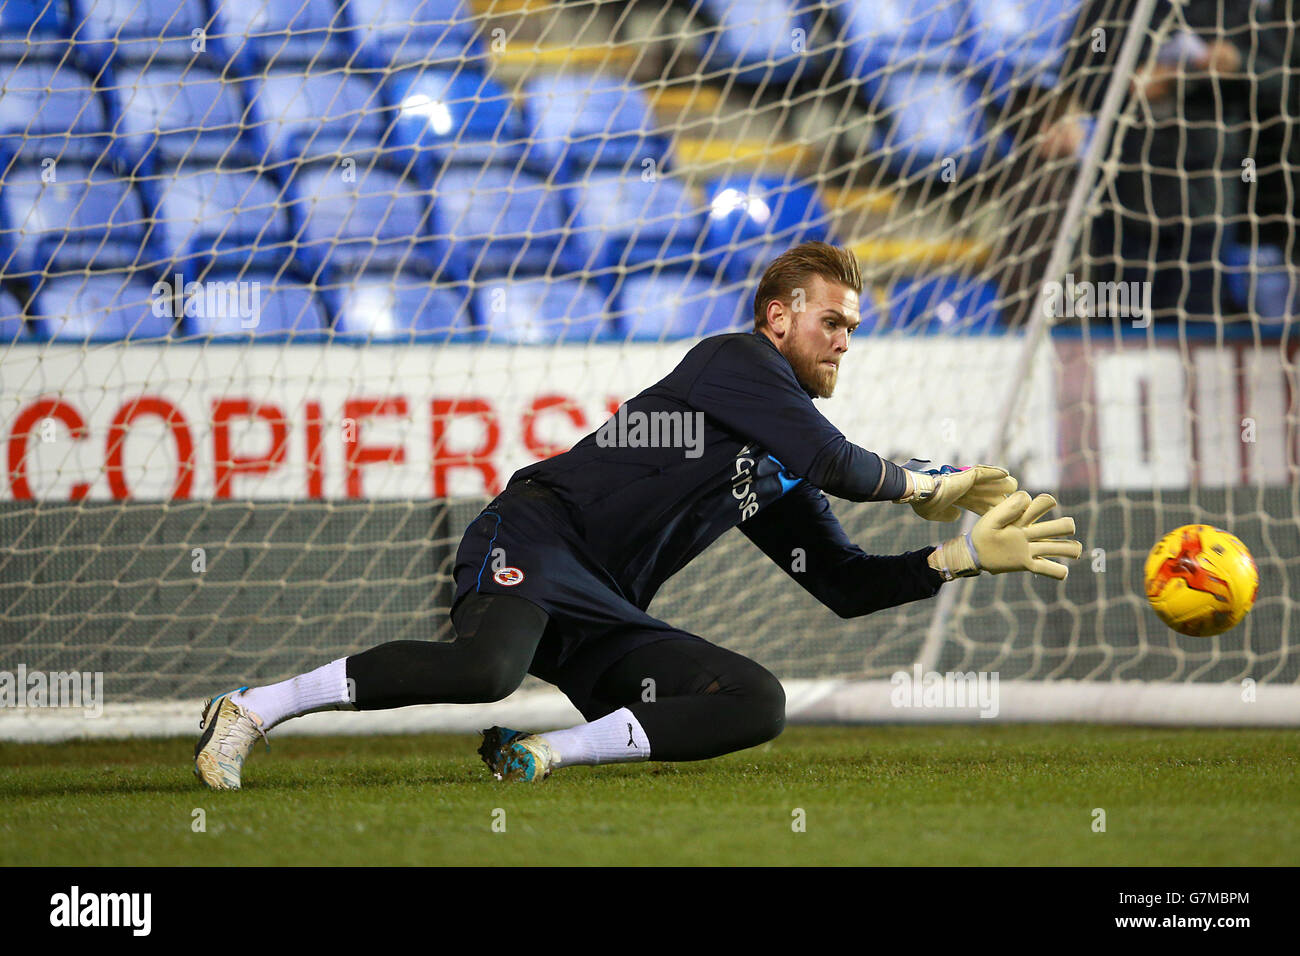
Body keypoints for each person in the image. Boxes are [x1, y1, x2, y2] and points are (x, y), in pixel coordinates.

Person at [194, 241, 1082, 789]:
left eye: (854, 329)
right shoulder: (735, 362)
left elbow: (844, 584)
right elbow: (839, 463)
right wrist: (933, 483)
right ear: (779, 319)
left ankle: (546, 755)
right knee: (486, 669)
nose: (846, 341)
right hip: (540, 536)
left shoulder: (779, 466)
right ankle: (252, 708)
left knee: (755, 702)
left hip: (605, 607)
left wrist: (958, 557)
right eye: (833, 322)